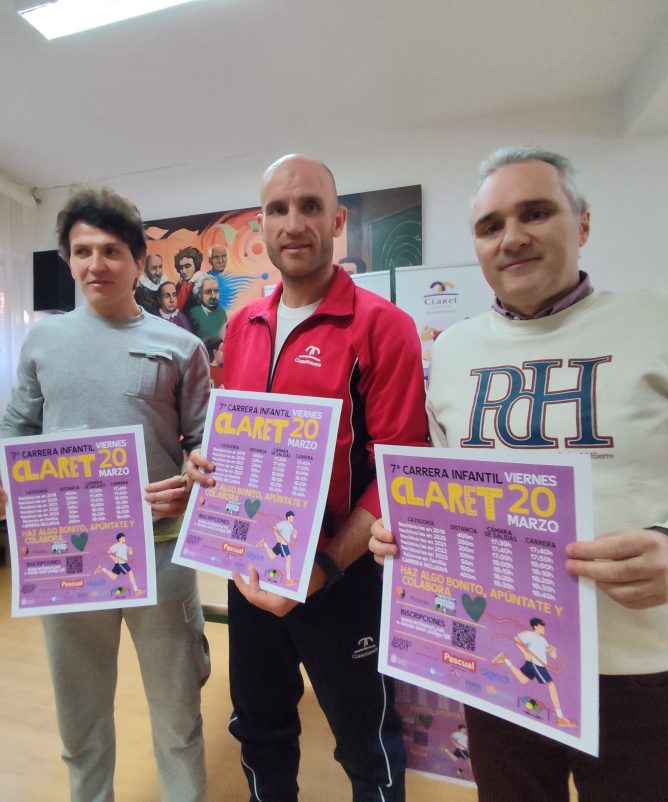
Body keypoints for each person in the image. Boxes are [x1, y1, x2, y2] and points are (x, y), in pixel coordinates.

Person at [369, 146, 668, 801]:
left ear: (581, 225)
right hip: (502, 670)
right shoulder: (456, 350)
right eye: (490, 225)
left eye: (536, 213)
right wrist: (402, 534)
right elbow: (447, 494)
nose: (512, 237)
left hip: (642, 674)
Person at [185, 154, 430, 801]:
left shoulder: (385, 327)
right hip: (250, 573)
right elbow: (238, 440)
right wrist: (208, 464)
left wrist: (321, 568)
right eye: (278, 208)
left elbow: (399, 473)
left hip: (341, 582)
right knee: (260, 730)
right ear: (260, 224)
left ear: (338, 221)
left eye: (310, 206)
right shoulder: (243, 324)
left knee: (366, 744)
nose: (294, 223)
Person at [0, 185, 212, 802]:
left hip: (158, 552)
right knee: (80, 720)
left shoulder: (182, 345)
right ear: (68, 260)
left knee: (178, 718)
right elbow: (16, 426)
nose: (94, 265)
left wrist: (190, 486)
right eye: (81, 252)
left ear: (136, 260)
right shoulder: (42, 342)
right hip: (66, 555)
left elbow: (207, 443)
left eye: (109, 251)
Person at [492, 618, 575, 728]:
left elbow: (553, 656)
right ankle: (560, 718)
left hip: (535, 664)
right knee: (551, 685)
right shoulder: (530, 635)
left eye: (543, 626)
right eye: (541, 626)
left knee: (523, 680)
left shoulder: (543, 640)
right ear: (535, 626)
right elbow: (516, 638)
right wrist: (526, 652)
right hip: (536, 665)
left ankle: (505, 659)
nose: (543, 628)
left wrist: (553, 650)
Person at [187, 274, 227, 341]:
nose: (213, 296)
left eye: (216, 291)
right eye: (208, 292)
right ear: (199, 294)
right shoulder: (193, 314)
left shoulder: (222, 312)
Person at [174, 246, 203, 311]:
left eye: (187, 266)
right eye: (181, 268)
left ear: (196, 265)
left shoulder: (203, 283)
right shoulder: (180, 285)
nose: (183, 271)